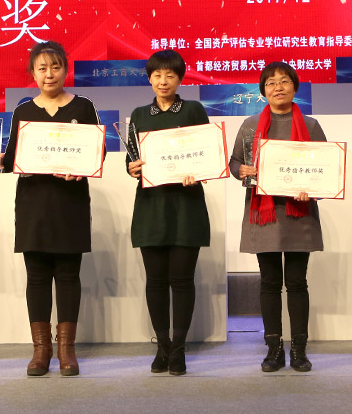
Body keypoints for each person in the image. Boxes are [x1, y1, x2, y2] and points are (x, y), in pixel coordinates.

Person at [0, 42, 102, 377]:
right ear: (33, 74)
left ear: (66, 70)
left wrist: (82, 168)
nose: (49, 74)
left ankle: (66, 350)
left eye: (55, 67)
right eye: (42, 68)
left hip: (70, 203)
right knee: (36, 277)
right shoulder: (23, 110)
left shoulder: (84, 106)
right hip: (33, 204)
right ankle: (41, 350)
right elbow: (13, 158)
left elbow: (97, 152)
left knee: (68, 276)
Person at [229, 62, 325, 372]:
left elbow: (324, 169)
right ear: (263, 91)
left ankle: (299, 350)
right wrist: (242, 170)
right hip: (264, 213)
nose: (278, 87)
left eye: (284, 81)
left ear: (295, 87)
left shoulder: (310, 125)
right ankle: (273, 349)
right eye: (270, 83)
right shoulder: (250, 125)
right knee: (269, 282)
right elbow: (235, 163)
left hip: (299, 213)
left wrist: (312, 187)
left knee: (297, 283)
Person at [125, 50, 210, 376]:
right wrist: (132, 167)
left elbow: (206, 154)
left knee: (182, 280)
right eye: (157, 75)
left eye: (170, 75)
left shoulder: (192, 109)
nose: (163, 81)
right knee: (156, 281)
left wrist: (197, 171)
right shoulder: (139, 114)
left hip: (186, 206)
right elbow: (131, 160)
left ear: (180, 79)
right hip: (152, 206)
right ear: (149, 78)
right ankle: (162, 346)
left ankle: (179, 349)